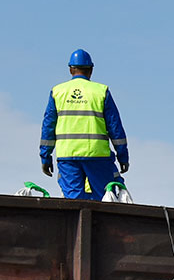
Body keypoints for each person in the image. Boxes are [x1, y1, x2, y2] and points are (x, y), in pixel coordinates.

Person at [40, 49, 129, 201]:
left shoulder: (58, 92)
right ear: (91, 70)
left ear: (70, 69)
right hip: (97, 155)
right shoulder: (101, 91)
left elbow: (48, 126)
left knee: (74, 202)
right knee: (103, 201)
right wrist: (123, 157)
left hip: (67, 156)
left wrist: (45, 156)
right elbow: (115, 128)